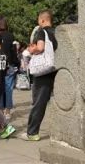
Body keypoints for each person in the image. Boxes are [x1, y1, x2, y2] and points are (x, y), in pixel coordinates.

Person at [22, 10, 58, 141]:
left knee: (38, 103)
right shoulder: (55, 32)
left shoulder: (41, 31)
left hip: (42, 72)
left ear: (42, 20)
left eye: (38, 20)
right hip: (53, 70)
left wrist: (32, 49)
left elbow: (40, 48)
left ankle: (32, 133)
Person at [0, 16, 19, 121]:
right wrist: (16, 63)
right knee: (8, 88)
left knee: (0, 88)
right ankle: (7, 111)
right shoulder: (10, 36)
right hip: (9, 64)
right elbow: (14, 51)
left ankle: (0, 108)